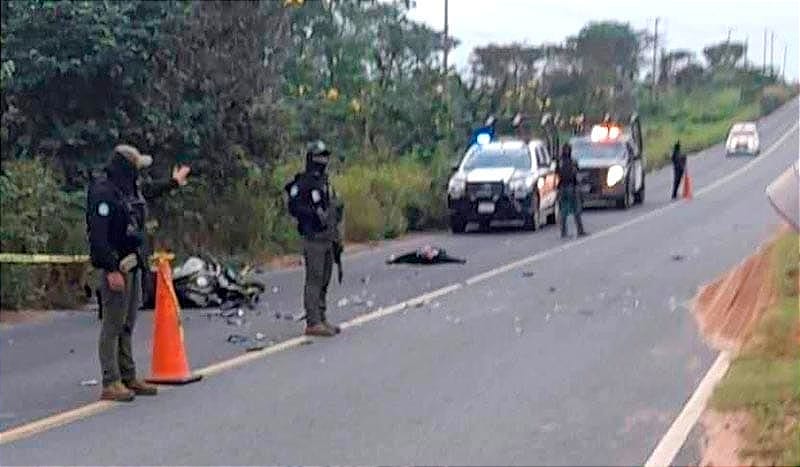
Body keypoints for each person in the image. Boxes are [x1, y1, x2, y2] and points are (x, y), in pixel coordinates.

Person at [87, 144, 191, 402]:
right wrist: (110, 268)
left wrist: (174, 183)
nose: (139, 173)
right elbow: (98, 237)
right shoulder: (104, 194)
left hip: (134, 264)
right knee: (112, 324)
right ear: (126, 167)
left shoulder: (129, 191)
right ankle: (111, 381)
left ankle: (128, 375)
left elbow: (150, 191)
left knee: (128, 322)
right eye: (136, 167)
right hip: (117, 265)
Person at [285, 141, 344, 337]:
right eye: (319, 156)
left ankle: (321, 317)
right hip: (313, 237)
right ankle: (313, 321)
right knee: (314, 279)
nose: (323, 160)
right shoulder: (304, 183)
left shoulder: (323, 182)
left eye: (325, 156)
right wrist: (312, 215)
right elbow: (294, 207)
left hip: (327, 237)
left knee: (325, 278)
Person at [556, 143, 587, 239]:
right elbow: (576, 174)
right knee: (576, 210)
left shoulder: (559, 162)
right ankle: (580, 230)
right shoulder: (572, 162)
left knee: (564, 211)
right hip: (571, 187)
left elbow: (557, 174)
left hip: (562, 188)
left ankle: (564, 232)